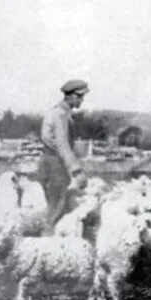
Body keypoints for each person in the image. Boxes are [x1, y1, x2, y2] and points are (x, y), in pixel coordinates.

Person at [37, 79, 89, 235]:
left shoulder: (57, 112)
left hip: (48, 162)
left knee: (53, 206)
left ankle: (48, 238)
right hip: (56, 166)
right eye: (80, 96)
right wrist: (77, 171)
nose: (82, 100)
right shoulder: (60, 115)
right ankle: (48, 242)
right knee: (56, 209)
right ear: (71, 96)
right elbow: (62, 144)